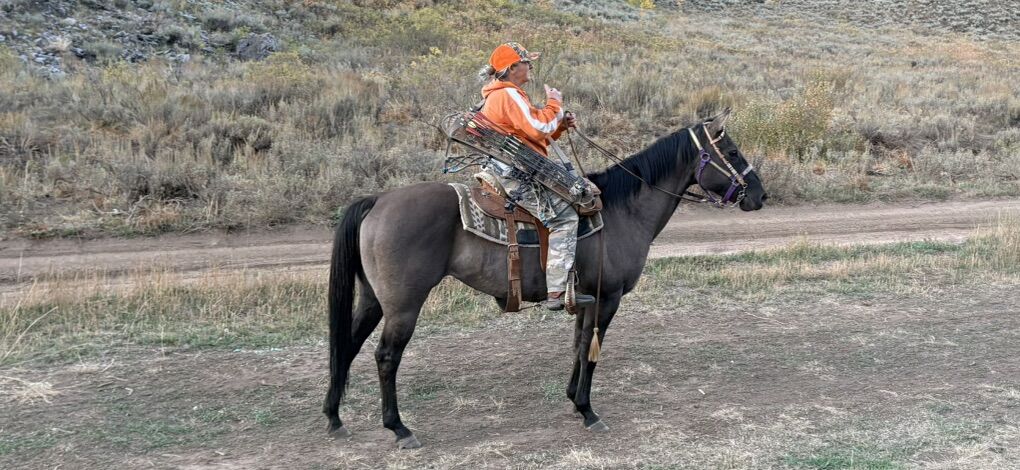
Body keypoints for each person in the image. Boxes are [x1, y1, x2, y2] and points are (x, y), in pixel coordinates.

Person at [477, 42, 595, 311]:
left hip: (506, 168)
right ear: (512, 68)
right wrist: (555, 103)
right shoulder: (509, 94)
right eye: (526, 62)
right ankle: (557, 292)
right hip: (517, 173)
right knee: (564, 218)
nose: (530, 66)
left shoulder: (499, 95)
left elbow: (531, 134)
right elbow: (539, 127)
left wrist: (559, 126)